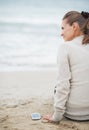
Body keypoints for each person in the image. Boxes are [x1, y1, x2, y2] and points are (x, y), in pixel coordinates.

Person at [43, 11, 89, 123]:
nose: (61, 33)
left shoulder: (65, 47)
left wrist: (57, 116)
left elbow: (63, 84)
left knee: (57, 87)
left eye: (63, 28)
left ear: (74, 27)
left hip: (73, 113)